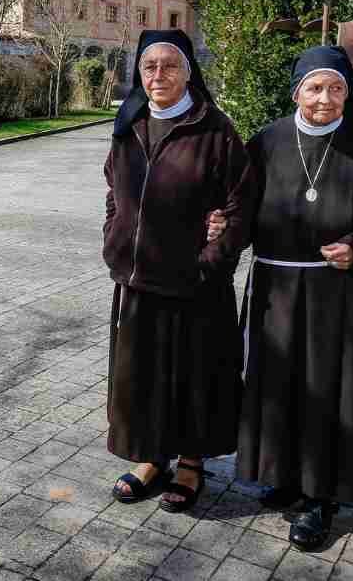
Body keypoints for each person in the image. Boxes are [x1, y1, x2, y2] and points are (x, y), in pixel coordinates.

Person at [229, 46, 353, 551]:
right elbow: (238, 206)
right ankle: (283, 475)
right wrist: (222, 225)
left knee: (329, 390)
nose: (324, 99)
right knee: (279, 385)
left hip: (339, 296)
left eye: (335, 89)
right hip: (276, 290)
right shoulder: (265, 143)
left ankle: (322, 496)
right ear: (296, 92)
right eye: (314, 88)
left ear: (348, 95)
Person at [102, 29, 255, 513]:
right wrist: (114, 235)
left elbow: (242, 206)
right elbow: (113, 189)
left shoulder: (215, 129)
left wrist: (213, 258)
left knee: (193, 377)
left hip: (194, 285)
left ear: (190, 71)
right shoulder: (129, 125)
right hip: (137, 280)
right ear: (138, 74)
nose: (159, 75)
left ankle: (190, 463)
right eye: (150, 66)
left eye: (171, 65)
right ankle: (150, 458)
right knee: (141, 376)